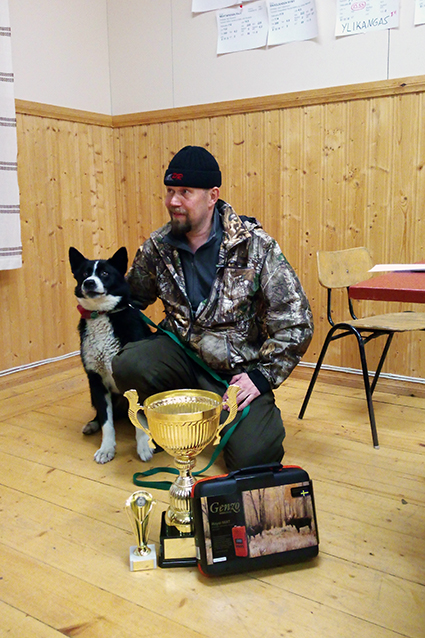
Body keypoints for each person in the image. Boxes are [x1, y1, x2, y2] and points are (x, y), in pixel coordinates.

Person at [112, 145, 313, 471]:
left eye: (185, 192)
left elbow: (296, 320)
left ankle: (214, 412)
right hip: (181, 359)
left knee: (255, 458)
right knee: (128, 364)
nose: (173, 201)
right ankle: (182, 411)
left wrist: (261, 377)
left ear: (212, 196)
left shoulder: (255, 246)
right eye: (170, 191)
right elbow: (130, 297)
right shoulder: (158, 247)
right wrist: (97, 301)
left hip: (236, 374)